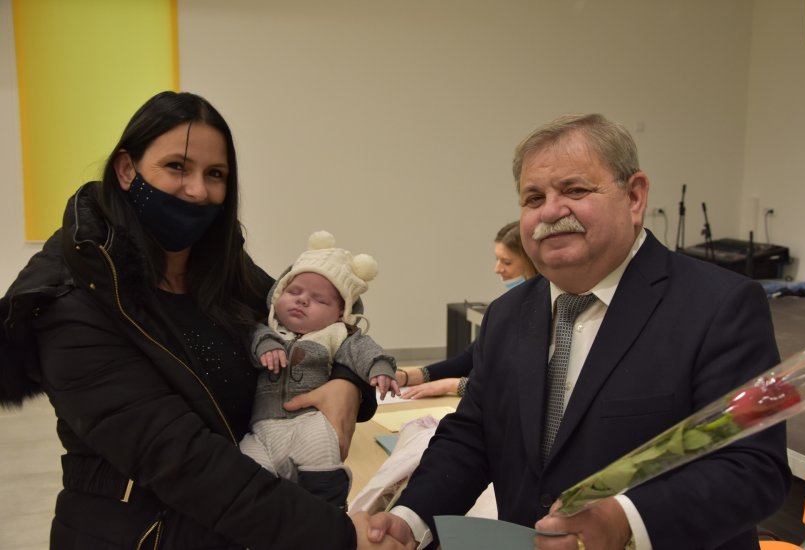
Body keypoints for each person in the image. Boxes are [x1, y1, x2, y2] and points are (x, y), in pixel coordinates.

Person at [364, 113, 791, 549]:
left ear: (635, 196)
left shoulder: (721, 306)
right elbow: (474, 435)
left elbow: (754, 467)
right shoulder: (508, 315)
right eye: (533, 198)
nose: (550, 210)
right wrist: (409, 518)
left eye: (575, 190)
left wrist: (627, 520)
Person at [0, 91, 405, 549]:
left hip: (240, 523)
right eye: (177, 166)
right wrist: (336, 536)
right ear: (127, 169)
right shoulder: (73, 302)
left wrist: (348, 382)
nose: (198, 190)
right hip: (140, 534)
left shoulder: (222, 268)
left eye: (215, 174)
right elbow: (181, 460)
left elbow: (320, 319)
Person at [240, 230, 399, 509]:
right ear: (277, 294)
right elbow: (252, 336)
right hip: (262, 427)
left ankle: (328, 510)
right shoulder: (267, 328)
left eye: (319, 300)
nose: (302, 300)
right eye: (293, 291)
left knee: (322, 452)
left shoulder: (335, 334)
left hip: (308, 422)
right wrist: (265, 346)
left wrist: (380, 367)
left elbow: (363, 350)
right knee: (246, 467)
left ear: (340, 313)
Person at [399, 221, 537, 399]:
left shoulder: (542, 315)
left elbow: (517, 389)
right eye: (497, 259)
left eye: (507, 262)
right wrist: (407, 376)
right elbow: (468, 360)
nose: (497, 269)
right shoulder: (506, 308)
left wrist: (454, 385)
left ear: (532, 263)